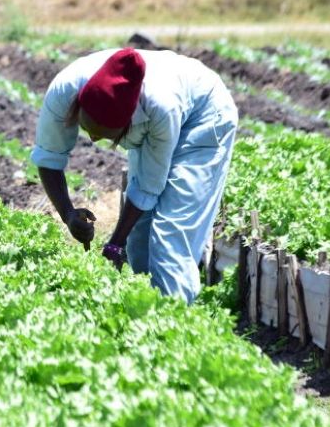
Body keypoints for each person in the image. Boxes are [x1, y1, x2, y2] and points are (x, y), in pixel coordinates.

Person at [33, 47, 238, 304]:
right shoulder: (64, 90)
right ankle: (146, 311)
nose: (94, 138)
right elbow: (48, 156)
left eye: (105, 135)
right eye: (88, 128)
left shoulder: (160, 108)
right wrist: (67, 213)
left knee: (171, 231)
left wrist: (114, 243)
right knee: (140, 239)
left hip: (204, 116)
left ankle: (174, 322)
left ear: (128, 124)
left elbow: (148, 187)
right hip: (164, 109)